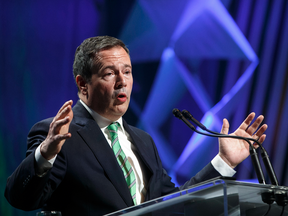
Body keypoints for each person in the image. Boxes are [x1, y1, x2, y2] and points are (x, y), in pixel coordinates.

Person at [5, 36, 267, 216]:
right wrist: (45, 154)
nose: (122, 81)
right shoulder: (58, 134)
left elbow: (176, 205)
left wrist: (224, 161)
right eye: (109, 73)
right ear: (83, 84)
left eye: (127, 71)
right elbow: (21, 199)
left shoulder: (143, 141)